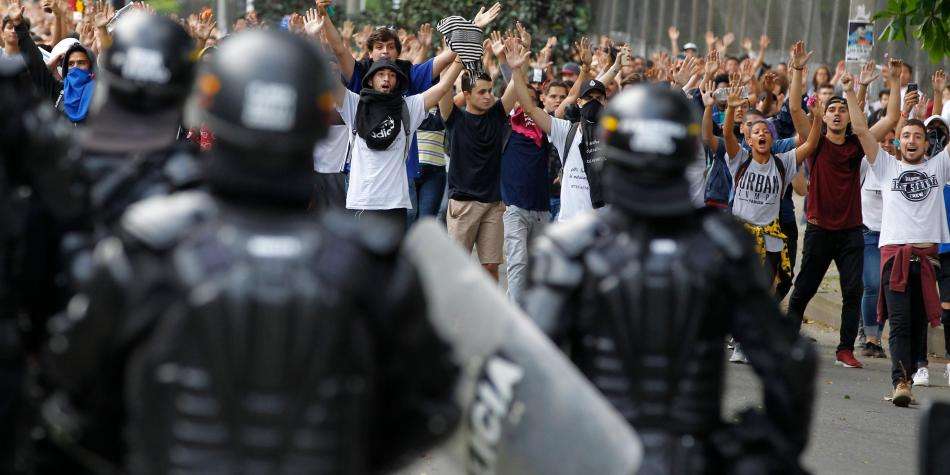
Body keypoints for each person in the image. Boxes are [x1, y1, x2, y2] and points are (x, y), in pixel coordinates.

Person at [40, 28, 460, 472]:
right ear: (318, 122)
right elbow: (428, 410)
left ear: (211, 113)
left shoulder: (147, 254)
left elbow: (74, 405)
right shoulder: (372, 268)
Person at [522, 85, 816, 474]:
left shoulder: (569, 248)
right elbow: (788, 361)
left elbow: (528, 372)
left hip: (598, 454)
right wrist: (755, 450)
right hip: (689, 456)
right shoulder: (721, 246)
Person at [785, 42, 901, 369]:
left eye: (841, 109)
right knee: (804, 288)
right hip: (820, 228)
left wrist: (892, 82)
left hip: (851, 230)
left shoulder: (857, 145)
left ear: (849, 116)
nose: (836, 113)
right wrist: (796, 71)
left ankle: (845, 349)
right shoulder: (816, 142)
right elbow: (795, 109)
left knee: (853, 291)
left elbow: (891, 117)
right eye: (831, 109)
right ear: (826, 115)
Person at [845, 70, 949, 407]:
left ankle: (908, 377)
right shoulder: (886, 167)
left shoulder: (938, 168)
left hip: (927, 261)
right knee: (901, 324)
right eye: (906, 136)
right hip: (895, 259)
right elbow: (860, 129)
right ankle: (900, 383)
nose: (912, 141)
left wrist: (940, 94)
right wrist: (850, 90)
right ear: (898, 140)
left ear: (926, 142)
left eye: (918, 136)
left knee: (919, 327)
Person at [508, 39, 606, 224]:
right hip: (568, 225)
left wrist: (587, 68)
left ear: (605, 102)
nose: (594, 102)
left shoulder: (614, 135)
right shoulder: (566, 131)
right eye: (588, 98)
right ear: (579, 103)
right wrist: (515, 70)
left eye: (599, 98)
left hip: (602, 228)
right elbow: (529, 108)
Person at [441, 57, 517, 281]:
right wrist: (456, 60)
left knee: (491, 266)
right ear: (466, 95)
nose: (488, 96)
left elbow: (516, 87)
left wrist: (513, 64)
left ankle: (491, 315)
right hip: (462, 204)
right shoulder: (454, 118)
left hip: (493, 203)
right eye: (481, 92)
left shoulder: (497, 115)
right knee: (457, 265)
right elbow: (444, 89)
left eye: (490, 91)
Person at [8, 1, 95, 123]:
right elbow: (35, 62)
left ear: (90, 66)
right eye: (70, 64)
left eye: (81, 63)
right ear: (64, 67)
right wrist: (19, 25)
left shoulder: (99, 95)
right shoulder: (55, 89)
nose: (75, 67)